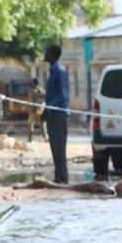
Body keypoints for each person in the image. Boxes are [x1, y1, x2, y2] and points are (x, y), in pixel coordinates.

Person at [43, 45, 69, 183]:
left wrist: (50, 109)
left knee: (59, 146)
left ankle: (62, 178)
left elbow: (62, 95)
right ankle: (59, 175)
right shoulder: (54, 71)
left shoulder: (59, 71)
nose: (44, 53)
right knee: (54, 145)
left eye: (46, 51)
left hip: (58, 113)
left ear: (52, 54)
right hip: (53, 113)